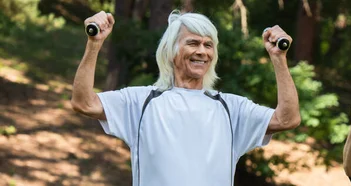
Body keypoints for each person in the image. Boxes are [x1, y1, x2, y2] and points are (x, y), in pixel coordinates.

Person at [70, 10, 301, 186]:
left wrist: (279, 58)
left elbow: (287, 120)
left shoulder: (232, 108)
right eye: (193, 43)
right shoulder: (140, 102)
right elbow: (83, 103)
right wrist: (94, 44)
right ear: (171, 50)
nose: (202, 51)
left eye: (208, 45)